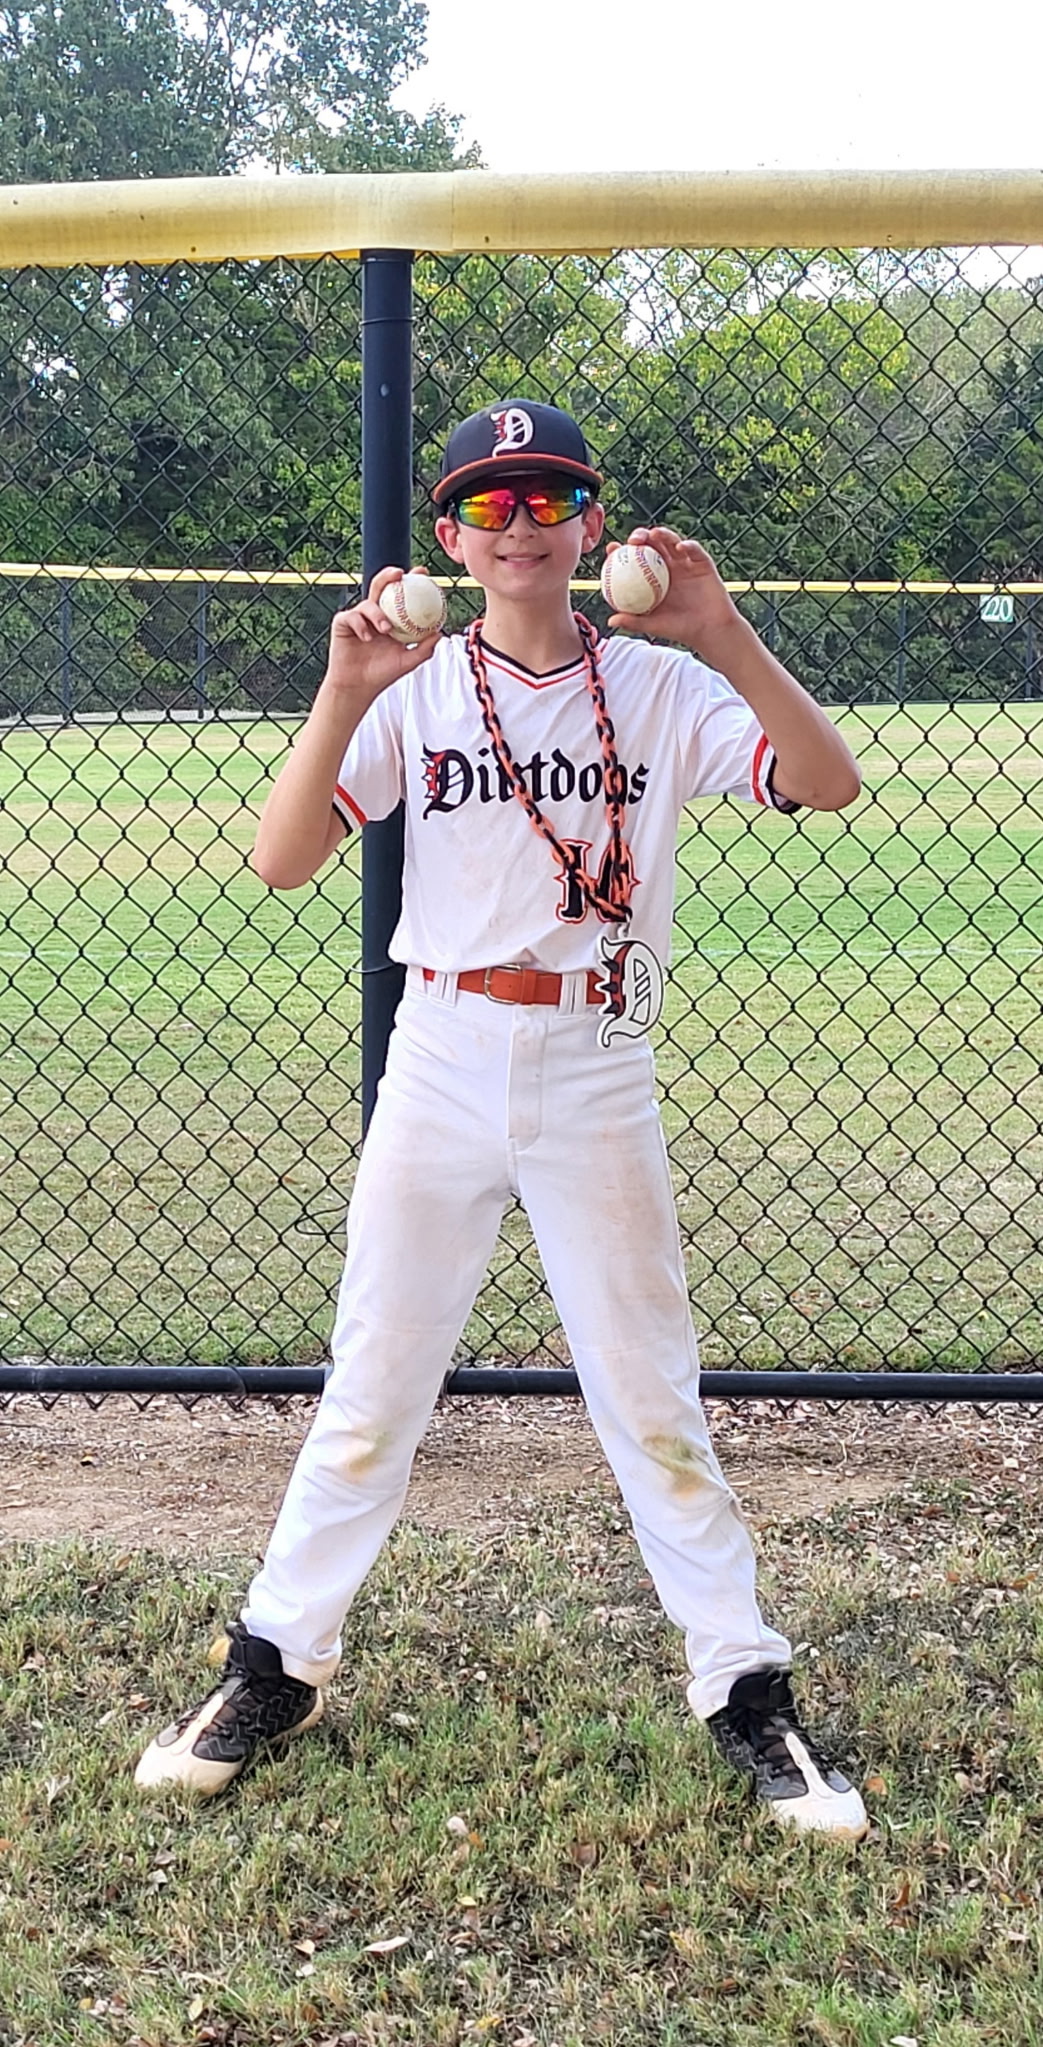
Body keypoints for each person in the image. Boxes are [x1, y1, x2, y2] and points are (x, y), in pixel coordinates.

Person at [136, 399, 866, 1838]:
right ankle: (277, 1661)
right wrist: (344, 690)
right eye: (488, 505)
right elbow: (285, 861)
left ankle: (742, 1685)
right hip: (445, 1050)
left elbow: (827, 780)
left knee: (650, 1396)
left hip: (596, 1053)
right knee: (372, 1388)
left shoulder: (657, 684)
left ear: (594, 528)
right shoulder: (414, 687)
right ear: (453, 539)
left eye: (550, 501)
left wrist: (724, 635)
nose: (520, 525)